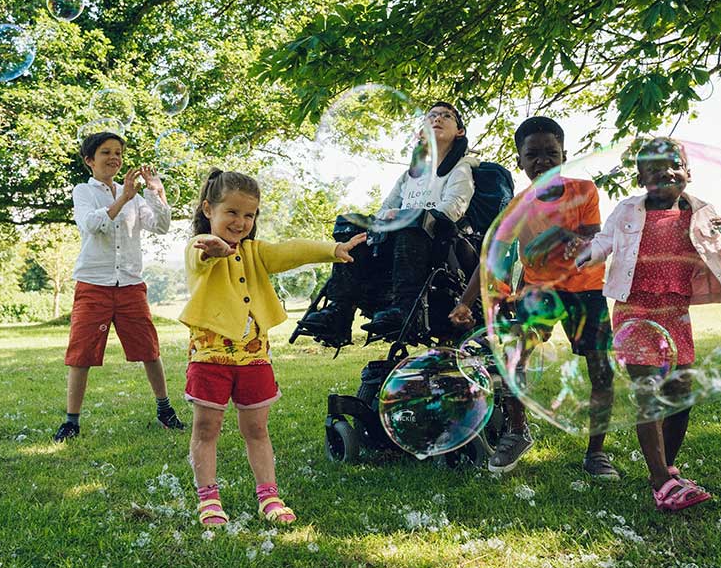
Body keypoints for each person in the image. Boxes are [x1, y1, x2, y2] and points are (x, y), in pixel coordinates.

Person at [181, 169, 366, 526]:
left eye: (248, 214)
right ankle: (208, 499)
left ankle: (269, 495)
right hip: (209, 357)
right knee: (206, 428)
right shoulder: (198, 245)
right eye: (231, 212)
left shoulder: (256, 252)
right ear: (208, 209)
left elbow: (289, 250)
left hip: (254, 358)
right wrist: (213, 250)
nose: (240, 221)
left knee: (258, 429)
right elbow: (197, 258)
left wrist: (333, 249)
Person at [576, 136, 721, 512]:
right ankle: (660, 481)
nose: (666, 173)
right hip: (634, 306)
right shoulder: (627, 210)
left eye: (674, 165)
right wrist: (585, 254)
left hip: (676, 309)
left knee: (680, 391)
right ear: (641, 178)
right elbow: (605, 242)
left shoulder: (701, 211)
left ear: (688, 172)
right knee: (648, 390)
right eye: (654, 169)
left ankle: (667, 466)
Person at [450, 116, 618, 478]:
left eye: (551, 153)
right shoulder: (516, 206)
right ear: (520, 161)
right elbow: (491, 257)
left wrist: (573, 242)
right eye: (533, 154)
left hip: (585, 289)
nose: (542, 160)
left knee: (600, 371)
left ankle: (596, 453)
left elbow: (593, 237)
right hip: (539, 290)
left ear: (564, 155)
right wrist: (465, 302)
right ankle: (516, 431)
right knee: (512, 355)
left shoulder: (584, 191)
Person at [302, 101, 479, 338]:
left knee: (410, 224)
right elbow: (385, 209)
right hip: (398, 246)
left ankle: (405, 310)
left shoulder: (461, 168)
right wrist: (385, 219)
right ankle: (338, 311)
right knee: (353, 226)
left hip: (438, 245)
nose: (437, 119)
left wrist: (409, 215)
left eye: (446, 116)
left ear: (460, 132)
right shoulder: (410, 176)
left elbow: (452, 209)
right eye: (432, 116)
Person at [54, 132, 183, 443]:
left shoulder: (136, 199)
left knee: (149, 350)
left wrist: (155, 191)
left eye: (118, 153)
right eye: (106, 152)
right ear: (89, 160)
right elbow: (92, 225)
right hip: (94, 283)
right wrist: (123, 197)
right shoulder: (83, 192)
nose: (114, 157)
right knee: (81, 354)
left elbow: (162, 226)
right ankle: (72, 422)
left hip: (130, 284)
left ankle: (164, 410)